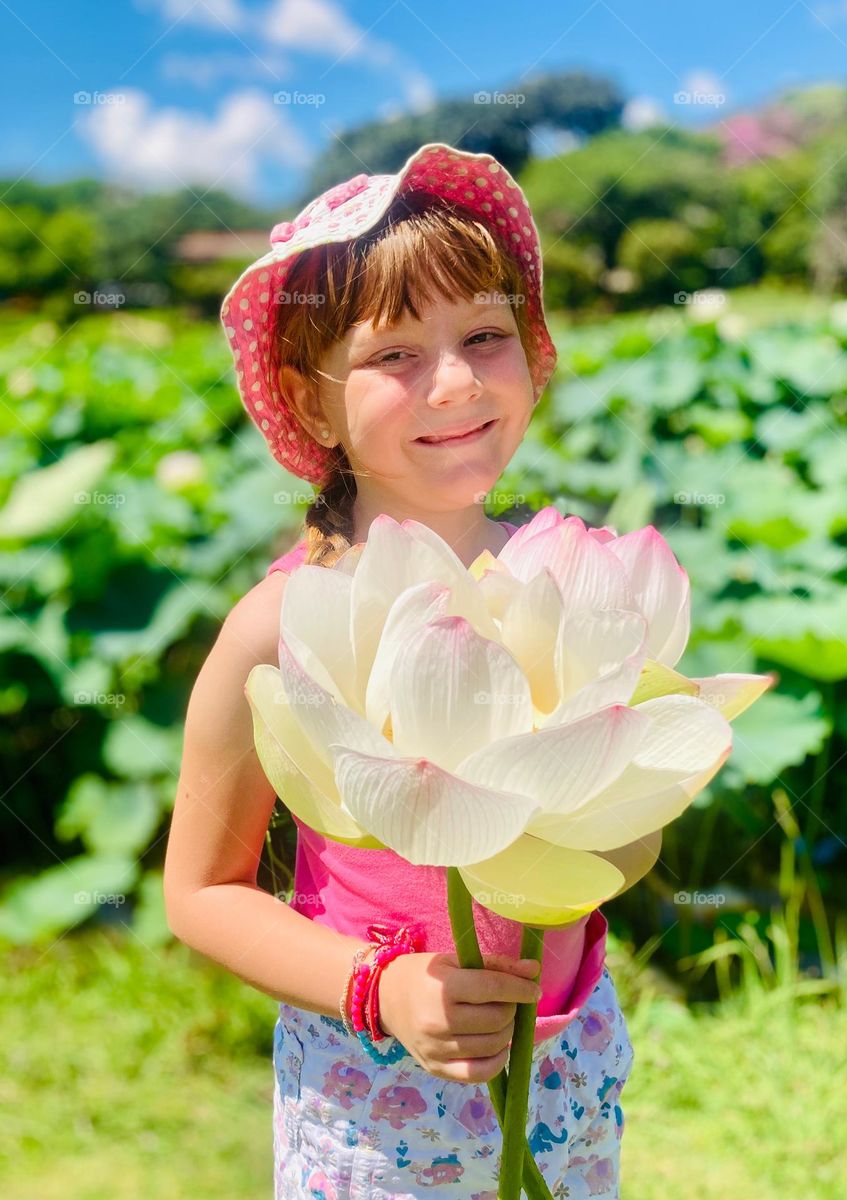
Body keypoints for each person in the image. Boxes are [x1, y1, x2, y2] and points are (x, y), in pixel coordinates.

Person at [164, 142, 655, 1200]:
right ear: (308, 400)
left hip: (568, 1068)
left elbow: (627, 832)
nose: (455, 381)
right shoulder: (275, 627)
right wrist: (377, 989)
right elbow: (199, 892)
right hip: (372, 1099)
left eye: (486, 335)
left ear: (536, 353)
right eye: (394, 354)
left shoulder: (578, 581)